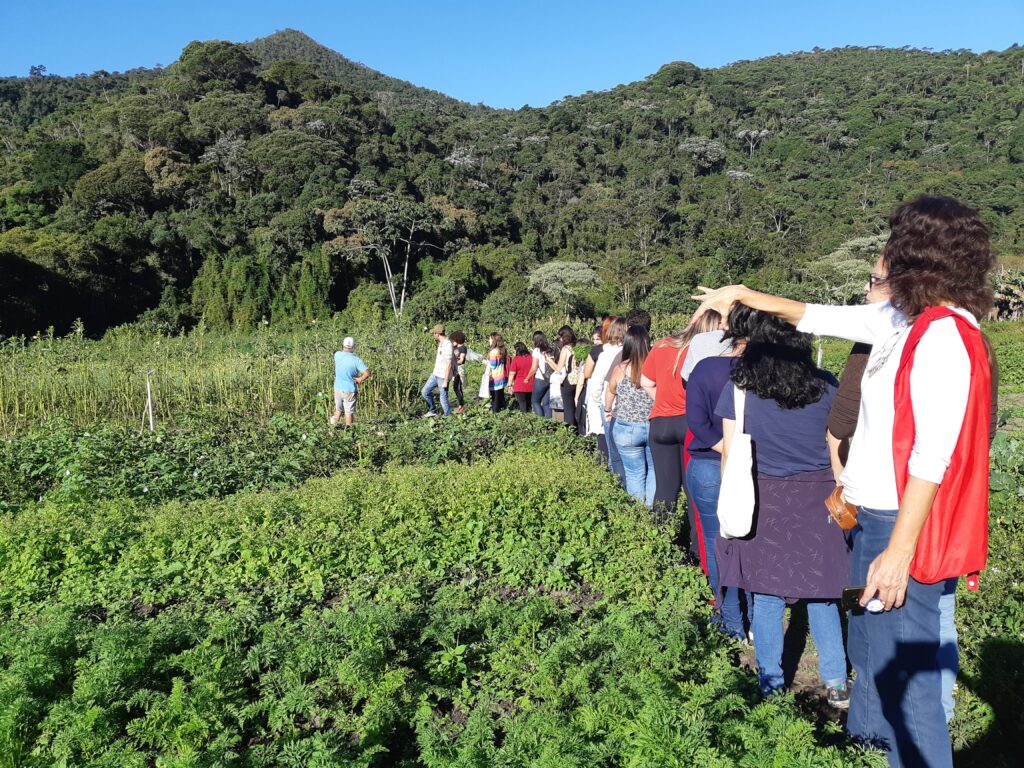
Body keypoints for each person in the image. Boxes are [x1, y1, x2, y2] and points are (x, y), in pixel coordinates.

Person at [693, 196, 995, 767]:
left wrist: (900, 552)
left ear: (920, 252)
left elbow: (935, 454)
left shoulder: (946, 335)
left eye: (894, 241)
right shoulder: (903, 320)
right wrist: (743, 297)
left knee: (905, 678)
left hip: (898, 528)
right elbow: (817, 314)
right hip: (872, 519)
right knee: (871, 652)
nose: (883, 256)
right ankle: (866, 750)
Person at [827, 266, 1002, 727]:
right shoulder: (971, 338)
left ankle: (917, 727)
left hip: (900, 505)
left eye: (876, 278)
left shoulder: (908, 337)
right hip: (944, 506)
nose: (869, 288)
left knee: (895, 645)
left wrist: (841, 460)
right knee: (937, 617)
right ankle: (935, 714)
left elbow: (845, 418)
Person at [714, 308, 850, 707]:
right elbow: (837, 448)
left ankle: (770, 683)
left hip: (764, 497)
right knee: (823, 593)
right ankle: (836, 681)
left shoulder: (738, 389)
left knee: (767, 594)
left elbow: (729, 455)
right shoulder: (826, 385)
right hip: (818, 496)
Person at [683, 310, 746, 640]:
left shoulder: (705, 368)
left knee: (714, 541)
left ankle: (729, 619)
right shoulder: (763, 372)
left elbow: (696, 423)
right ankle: (754, 613)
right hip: (753, 467)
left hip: (707, 463)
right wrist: (737, 451)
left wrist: (723, 447)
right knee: (749, 542)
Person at [641, 310, 723, 527]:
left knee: (665, 489)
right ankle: (697, 549)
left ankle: (660, 540)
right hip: (690, 423)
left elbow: (645, 381)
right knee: (693, 491)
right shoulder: (707, 350)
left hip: (660, 423)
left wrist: (664, 400)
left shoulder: (662, 345)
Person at [606, 326, 656, 506]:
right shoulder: (653, 366)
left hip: (626, 427)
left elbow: (611, 390)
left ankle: (638, 515)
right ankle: (652, 513)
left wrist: (607, 409)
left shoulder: (620, 368)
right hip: (652, 425)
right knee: (654, 471)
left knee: (634, 474)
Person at [587, 317, 627, 479]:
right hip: (629, 406)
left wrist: (599, 404)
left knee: (612, 452)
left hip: (609, 404)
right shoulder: (631, 351)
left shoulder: (604, 354)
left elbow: (596, 384)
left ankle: (613, 481)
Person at [330, 336, 371, 426]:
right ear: (354, 346)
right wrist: (360, 379)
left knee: (338, 410)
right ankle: (348, 432)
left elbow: (337, 352)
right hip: (349, 390)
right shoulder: (357, 360)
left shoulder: (337, 355)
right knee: (348, 413)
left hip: (337, 387)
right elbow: (367, 373)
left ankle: (331, 428)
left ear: (343, 345)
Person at [575, 322, 606, 438]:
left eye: (597, 339)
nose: (595, 343)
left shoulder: (595, 352)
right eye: (594, 340)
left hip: (596, 391)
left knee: (596, 425)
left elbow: (586, 374)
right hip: (604, 392)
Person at [547, 326, 578, 429]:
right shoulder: (576, 345)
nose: (560, 339)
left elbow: (558, 368)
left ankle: (570, 432)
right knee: (575, 407)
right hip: (578, 380)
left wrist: (549, 360)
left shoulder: (565, 349)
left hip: (568, 380)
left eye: (560, 336)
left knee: (568, 409)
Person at [422, 324, 454, 417]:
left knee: (443, 398)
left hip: (443, 376)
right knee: (425, 392)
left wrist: (445, 380)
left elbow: (449, 364)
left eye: (434, 333)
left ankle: (448, 417)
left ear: (438, 334)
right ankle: (433, 410)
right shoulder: (441, 343)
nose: (433, 335)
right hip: (435, 374)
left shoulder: (448, 345)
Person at [528, 331, 553, 417]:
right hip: (551, 379)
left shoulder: (536, 350)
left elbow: (534, 368)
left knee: (535, 401)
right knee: (546, 403)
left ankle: (540, 422)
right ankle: (549, 423)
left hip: (540, 379)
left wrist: (527, 378)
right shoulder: (550, 349)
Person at [507, 341, 534, 413]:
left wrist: (509, 385)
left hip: (519, 386)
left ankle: (524, 420)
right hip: (531, 385)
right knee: (529, 405)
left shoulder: (516, 359)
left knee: (522, 405)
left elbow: (512, 373)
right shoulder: (532, 358)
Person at [485, 332, 509, 413]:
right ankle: (503, 409)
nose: (489, 340)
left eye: (490, 338)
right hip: (501, 375)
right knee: (500, 394)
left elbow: (493, 365)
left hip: (494, 377)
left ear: (494, 340)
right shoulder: (502, 350)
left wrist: (485, 361)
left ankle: (496, 412)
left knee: (494, 397)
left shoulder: (493, 351)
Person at [449, 330, 468, 414]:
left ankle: (461, 406)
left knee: (458, 388)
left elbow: (461, 360)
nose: (452, 342)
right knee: (455, 387)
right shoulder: (454, 348)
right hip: (454, 369)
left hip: (459, 369)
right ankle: (460, 404)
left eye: (453, 340)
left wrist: (453, 362)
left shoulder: (462, 348)